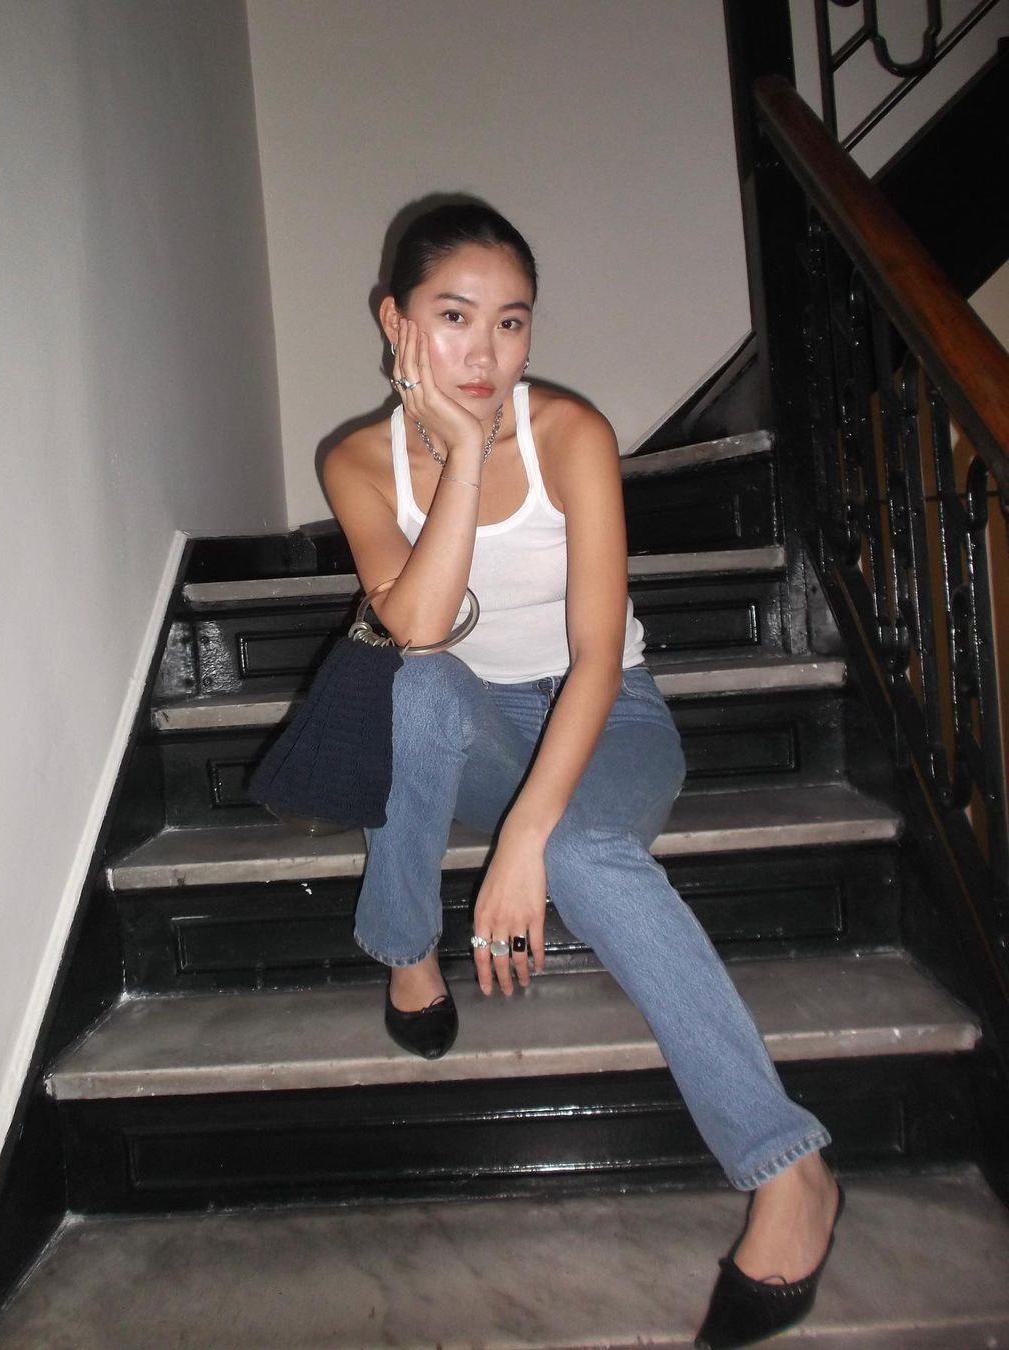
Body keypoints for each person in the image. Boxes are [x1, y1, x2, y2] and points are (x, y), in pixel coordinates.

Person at [321, 199, 843, 1349]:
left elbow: (599, 655)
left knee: (580, 846)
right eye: (454, 317)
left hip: (608, 715)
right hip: (465, 722)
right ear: (395, 321)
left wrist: (525, 839)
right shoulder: (358, 461)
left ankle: (789, 1170)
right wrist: (462, 457)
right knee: (417, 689)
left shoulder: (572, 434)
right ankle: (406, 947)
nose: (486, 352)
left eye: (511, 322)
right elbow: (418, 628)